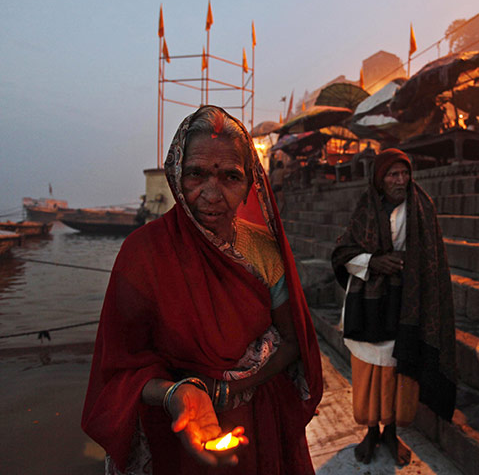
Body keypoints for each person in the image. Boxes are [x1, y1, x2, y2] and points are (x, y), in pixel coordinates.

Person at [82, 105, 323, 475]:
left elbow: (294, 342)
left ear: (249, 187)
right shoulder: (142, 252)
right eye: (196, 174)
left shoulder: (264, 251)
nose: (212, 194)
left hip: (255, 422)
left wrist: (229, 390)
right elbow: (119, 368)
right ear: (177, 176)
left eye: (230, 176)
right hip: (174, 428)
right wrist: (176, 393)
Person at [331, 149, 456, 466]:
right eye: (392, 174)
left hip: (407, 304)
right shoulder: (365, 208)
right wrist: (374, 262)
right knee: (369, 373)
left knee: (398, 373)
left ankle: (390, 432)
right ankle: (371, 431)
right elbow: (343, 252)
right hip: (367, 306)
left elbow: (432, 259)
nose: (400, 180)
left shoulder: (422, 207)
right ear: (380, 179)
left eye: (404, 173)